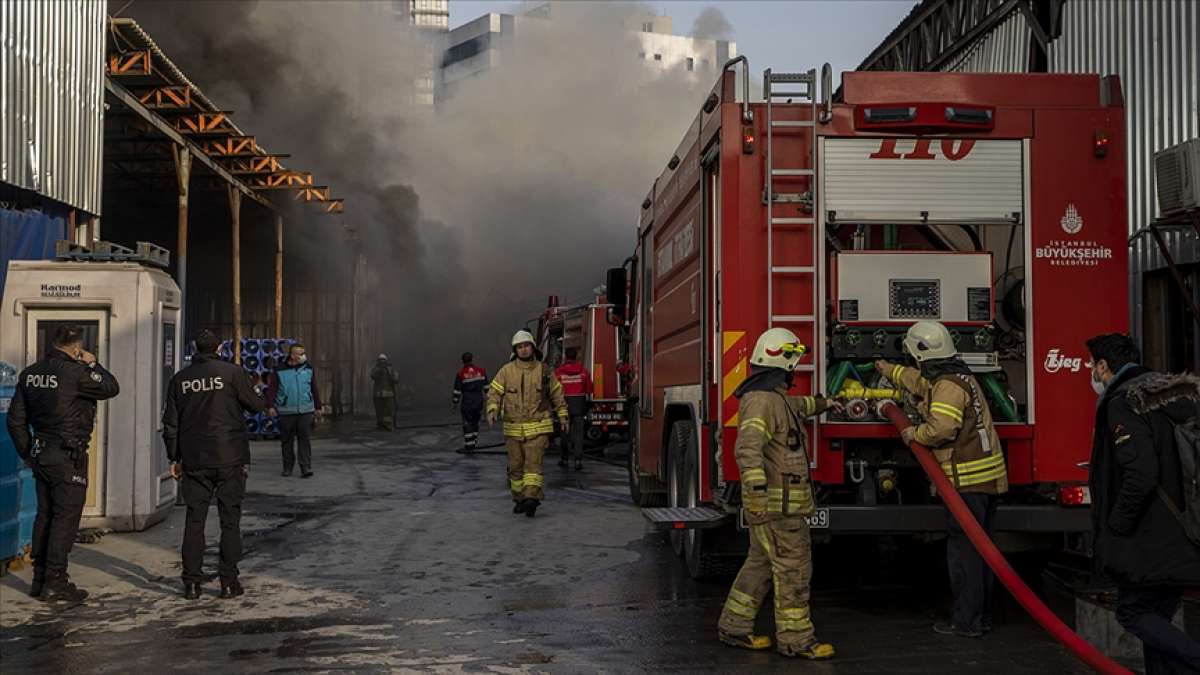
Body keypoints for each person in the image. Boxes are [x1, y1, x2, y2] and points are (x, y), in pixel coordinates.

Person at [875, 320, 1007, 639]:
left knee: (965, 556)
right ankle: (980, 617)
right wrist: (889, 368)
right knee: (981, 553)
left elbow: (941, 430)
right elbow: (918, 382)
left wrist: (910, 432)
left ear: (921, 353)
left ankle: (966, 622)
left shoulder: (946, 387)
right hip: (983, 483)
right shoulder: (956, 377)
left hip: (967, 483)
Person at [718, 328, 841, 659]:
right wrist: (756, 501)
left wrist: (827, 403)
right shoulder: (761, 402)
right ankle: (797, 639)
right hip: (778, 509)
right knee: (793, 568)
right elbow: (747, 451)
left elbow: (798, 405)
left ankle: (734, 626)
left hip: (779, 507)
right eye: (793, 363)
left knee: (759, 564)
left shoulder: (774, 399)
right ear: (783, 364)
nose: (795, 369)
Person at [1086, 333, 1200, 674]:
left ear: (1104, 365)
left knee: (1132, 613)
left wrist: (1117, 526)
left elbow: (1140, 473)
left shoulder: (1125, 401)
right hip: (1186, 527)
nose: (1091, 372)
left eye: (1093, 365)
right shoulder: (1173, 393)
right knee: (1159, 617)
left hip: (1149, 534)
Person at [5, 325, 119, 604]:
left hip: (42, 454)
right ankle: (56, 581)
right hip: (69, 457)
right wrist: (93, 363)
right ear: (77, 348)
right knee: (65, 520)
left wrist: (28, 453)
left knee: (45, 515)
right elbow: (110, 387)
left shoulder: (30, 374)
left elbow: (15, 420)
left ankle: (40, 579)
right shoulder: (78, 373)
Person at [163, 330, 266, 600]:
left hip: (195, 458)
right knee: (229, 521)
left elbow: (171, 424)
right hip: (229, 456)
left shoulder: (180, 379)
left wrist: (174, 457)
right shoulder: (232, 373)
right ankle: (229, 582)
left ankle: (192, 584)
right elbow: (256, 405)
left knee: (194, 521)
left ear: (196, 348)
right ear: (219, 348)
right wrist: (253, 387)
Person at [486, 330, 568, 517]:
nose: (523, 350)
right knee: (516, 467)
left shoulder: (544, 370)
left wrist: (563, 416)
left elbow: (557, 394)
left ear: (533, 347)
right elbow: (494, 393)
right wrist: (492, 410)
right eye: (520, 347)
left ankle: (531, 498)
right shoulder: (506, 371)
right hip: (513, 429)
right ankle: (519, 498)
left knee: (533, 465)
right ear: (515, 350)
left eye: (526, 346)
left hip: (538, 426)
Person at [266, 343, 321, 478]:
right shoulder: (279, 370)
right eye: (300, 353)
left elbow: (314, 388)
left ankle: (305, 467)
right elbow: (272, 389)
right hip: (286, 411)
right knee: (287, 440)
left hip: (305, 410)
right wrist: (270, 406)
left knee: (305, 439)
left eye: (303, 353)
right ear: (293, 355)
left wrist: (318, 406)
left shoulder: (308, 368)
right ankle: (287, 467)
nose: (303, 356)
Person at [554, 347, 593, 470]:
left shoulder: (559, 372)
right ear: (576, 357)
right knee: (578, 434)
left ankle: (564, 459)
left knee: (564, 433)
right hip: (579, 405)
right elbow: (590, 389)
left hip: (563, 405)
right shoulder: (583, 372)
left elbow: (553, 390)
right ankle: (578, 460)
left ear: (565, 357)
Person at [452, 352, 488, 452]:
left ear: (463, 360)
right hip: (478, 401)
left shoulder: (461, 374)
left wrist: (455, 402)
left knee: (467, 422)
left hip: (467, 402)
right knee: (476, 421)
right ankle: (474, 441)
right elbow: (487, 388)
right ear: (472, 359)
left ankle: (469, 445)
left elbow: (457, 391)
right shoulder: (481, 371)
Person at [370, 354, 399, 431]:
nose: (382, 362)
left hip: (387, 394)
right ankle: (380, 424)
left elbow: (396, 379)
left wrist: (391, 375)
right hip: (378, 394)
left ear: (386, 361)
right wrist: (379, 370)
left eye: (383, 361)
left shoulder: (390, 369)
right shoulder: (375, 369)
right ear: (378, 361)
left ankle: (387, 425)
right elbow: (372, 375)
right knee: (379, 410)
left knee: (387, 410)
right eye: (380, 361)